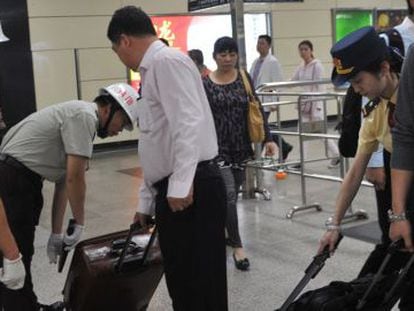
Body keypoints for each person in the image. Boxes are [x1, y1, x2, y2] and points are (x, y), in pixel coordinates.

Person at [107, 6, 228, 311]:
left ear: (124, 40)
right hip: (177, 188)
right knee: (182, 282)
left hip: (192, 188)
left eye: (115, 50)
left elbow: (188, 123)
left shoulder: (166, 62)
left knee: (201, 285)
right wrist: (146, 202)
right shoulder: (153, 70)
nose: (119, 57)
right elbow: (155, 141)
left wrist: (181, 184)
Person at [0, 82, 140, 310]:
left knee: (21, 250)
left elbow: (64, 182)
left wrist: (56, 233)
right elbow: (76, 177)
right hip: (14, 181)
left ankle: (26, 305)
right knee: (15, 254)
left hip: (22, 180)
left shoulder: (78, 114)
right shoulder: (84, 116)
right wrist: (80, 222)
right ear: (108, 109)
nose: (119, 130)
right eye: (122, 123)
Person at [318, 26, 414, 310]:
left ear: (384, 69)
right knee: (379, 274)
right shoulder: (374, 111)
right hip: (399, 195)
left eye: (358, 80)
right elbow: (356, 170)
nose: (355, 89)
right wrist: (334, 225)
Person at [202, 36, 277, 272]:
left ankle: (225, 231)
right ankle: (237, 246)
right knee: (229, 195)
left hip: (241, 147)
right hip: (217, 149)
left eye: (231, 54)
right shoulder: (206, 83)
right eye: (222, 54)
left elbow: (256, 108)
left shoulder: (244, 77)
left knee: (230, 194)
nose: (227, 59)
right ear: (214, 56)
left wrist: (268, 138)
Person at [292, 40, 340, 169]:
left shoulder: (317, 65)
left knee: (320, 132)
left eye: (305, 49)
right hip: (304, 104)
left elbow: (320, 87)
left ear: (311, 50)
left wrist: (317, 107)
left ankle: (336, 154)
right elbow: (293, 80)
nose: (303, 52)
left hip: (315, 105)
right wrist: (276, 89)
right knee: (302, 132)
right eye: (301, 49)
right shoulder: (301, 65)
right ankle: (301, 160)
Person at [250, 34, 292, 161]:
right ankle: (284, 146)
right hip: (255, 101)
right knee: (263, 128)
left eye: (262, 43)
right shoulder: (256, 62)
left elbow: (278, 83)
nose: (259, 45)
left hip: (266, 102)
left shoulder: (272, 62)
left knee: (261, 127)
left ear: (269, 46)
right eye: (258, 43)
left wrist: (274, 102)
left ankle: (256, 156)